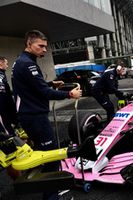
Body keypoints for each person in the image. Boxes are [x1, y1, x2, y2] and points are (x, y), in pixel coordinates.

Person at [12, 30, 81, 200]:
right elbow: (43, 92)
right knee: (52, 157)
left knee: (44, 154)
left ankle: (49, 190)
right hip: (34, 117)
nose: (44, 49)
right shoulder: (27, 64)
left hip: (30, 116)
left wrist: (51, 84)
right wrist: (69, 95)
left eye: (45, 46)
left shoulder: (22, 62)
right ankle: (51, 196)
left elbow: (33, 87)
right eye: (40, 46)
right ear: (29, 44)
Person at [0, 56, 17, 136]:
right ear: (1, 63)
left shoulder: (2, 74)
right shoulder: (1, 75)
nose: (7, 66)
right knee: (9, 135)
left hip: (5, 112)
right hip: (2, 112)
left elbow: (7, 91)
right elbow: (3, 95)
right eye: (6, 64)